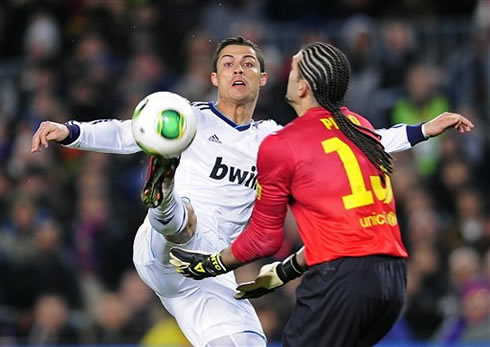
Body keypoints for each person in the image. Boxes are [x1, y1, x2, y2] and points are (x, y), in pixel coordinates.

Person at [31, 37, 473, 346]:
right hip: (165, 248)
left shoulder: (275, 139)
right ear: (213, 77)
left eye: (247, 64)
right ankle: (163, 199)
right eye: (228, 63)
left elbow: (362, 140)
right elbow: (129, 132)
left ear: (263, 77)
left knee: (245, 343)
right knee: (183, 219)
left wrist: (420, 131)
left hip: (212, 272)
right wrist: (69, 131)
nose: (238, 69)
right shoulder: (189, 119)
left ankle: (167, 201)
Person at [167, 42, 474, 346]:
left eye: (294, 69)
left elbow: (265, 238)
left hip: (340, 281)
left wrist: (211, 265)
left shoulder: (283, 144)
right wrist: (285, 271)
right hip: (391, 283)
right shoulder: (358, 127)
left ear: (303, 87)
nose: (287, 72)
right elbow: (345, 230)